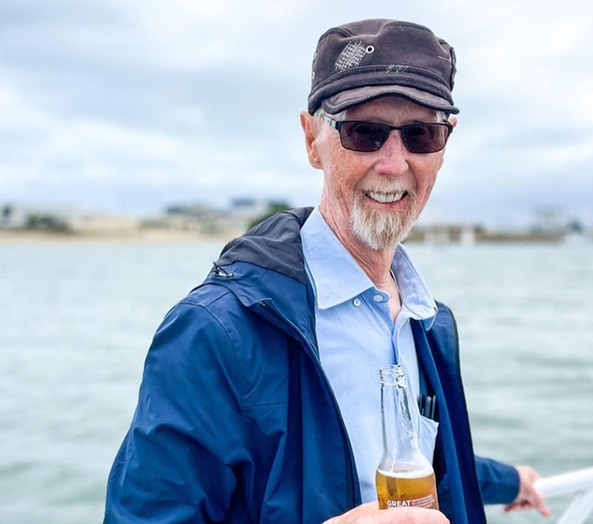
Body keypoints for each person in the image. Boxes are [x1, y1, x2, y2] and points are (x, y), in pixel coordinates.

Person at [105, 19, 551, 523]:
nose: (392, 163)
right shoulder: (216, 332)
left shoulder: (429, 321)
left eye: (421, 134)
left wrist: (510, 479)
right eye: (364, 132)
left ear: (445, 144)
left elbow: (425, 458)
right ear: (312, 140)